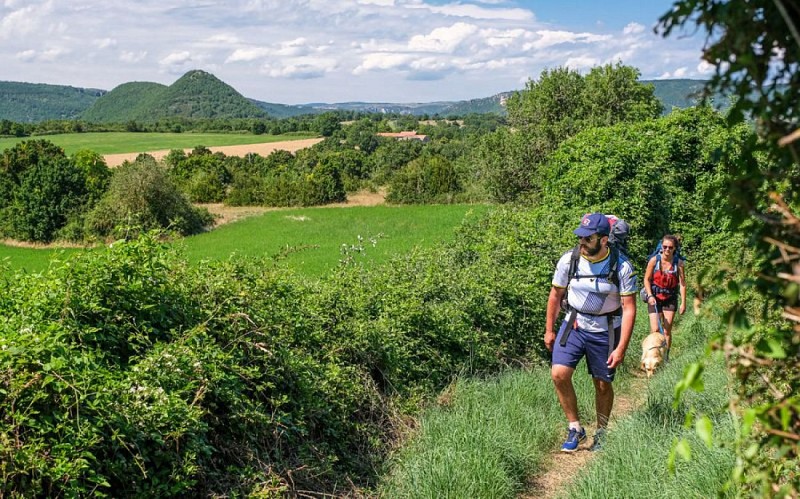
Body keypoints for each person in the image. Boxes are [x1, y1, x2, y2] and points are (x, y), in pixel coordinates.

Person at [544, 213, 637, 452]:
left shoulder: (622, 267)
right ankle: (575, 428)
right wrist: (549, 330)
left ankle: (602, 432)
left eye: (588, 238)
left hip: (606, 329)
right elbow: (555, 295)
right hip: (573, 324)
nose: (582, 242)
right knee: (559, 374)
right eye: (580, 237)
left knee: (602, 384)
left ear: (604, 240)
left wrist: (621, 347)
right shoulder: (570, 260)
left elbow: (629, 309)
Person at [642, 235, 686, 356]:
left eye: (670, 248)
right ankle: (652, 355)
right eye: (665, 247)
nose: (667, 250)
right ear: (661, 247)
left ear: (675, 248)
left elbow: (682, 284)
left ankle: (665, 357)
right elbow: (646, 279)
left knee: (667, 331)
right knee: (655, 330)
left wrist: (683, 302)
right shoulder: (654, 261)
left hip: (670, 299)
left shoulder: (679, 264)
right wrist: (650, 295)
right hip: (654, 298)